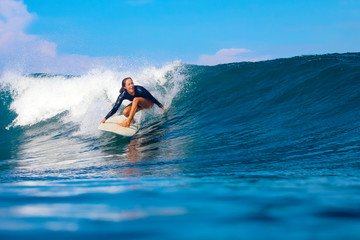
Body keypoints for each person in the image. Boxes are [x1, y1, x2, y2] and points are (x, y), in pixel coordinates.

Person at [100, 77, 167, 128]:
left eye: (132, 83)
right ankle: (133, 122)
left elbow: (152, 98)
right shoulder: (123, 95)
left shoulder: (140, 90)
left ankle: (128, 122)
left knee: (135, 99)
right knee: (125, 112)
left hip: (148, 103)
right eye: (129, 84)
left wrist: (162, 107)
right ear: (125, 87)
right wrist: (104, 119)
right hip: (138, 105)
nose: (131, 85)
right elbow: (115, 108)